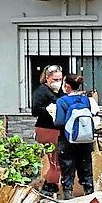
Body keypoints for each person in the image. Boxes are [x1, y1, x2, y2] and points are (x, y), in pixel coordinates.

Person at [52, 71, 96, 198]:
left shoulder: (62, 101)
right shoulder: (85, 100)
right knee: (86, 168)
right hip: (85, 140)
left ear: (67, 85)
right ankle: (89, 195)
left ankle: (68, 197)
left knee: (67, 169)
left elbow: (59, 122)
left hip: (67, 141)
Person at [30, 63, 65, 194]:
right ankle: (48, 188)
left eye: (60, 79)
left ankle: (53, 186)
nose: (58, 82)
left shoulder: (60, 91)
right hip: (46, 129)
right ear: (47, 78)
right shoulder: (41, 91)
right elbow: (35, 110)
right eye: (55, 80)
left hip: (57, 129)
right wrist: (49, 110)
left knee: (57, 160)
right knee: (52, 161)